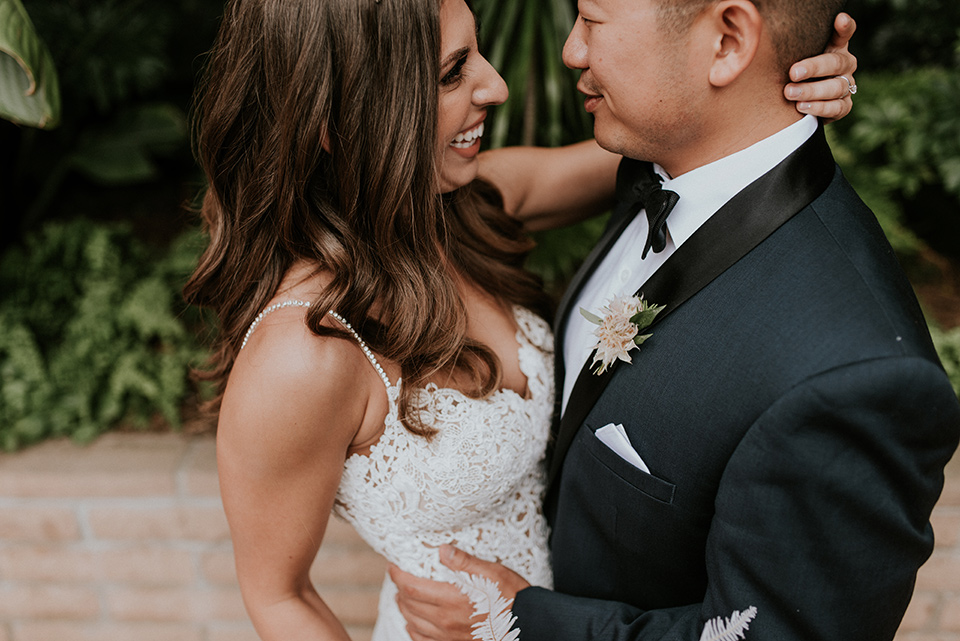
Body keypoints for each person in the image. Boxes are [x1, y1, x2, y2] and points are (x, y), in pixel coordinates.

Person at [183, 0, 859, 639]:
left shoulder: (474, 205)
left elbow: (688, 138)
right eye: (454, 72)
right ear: (337, 120)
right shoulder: (304, 353)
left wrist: (778, 91)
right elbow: (278, 594)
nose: (496, 86)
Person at [390, 1, 960, 640]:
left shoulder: (853, 376)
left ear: (727, 40)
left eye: (593, 20)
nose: (571, 51)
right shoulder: (657, 157)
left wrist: (520, 622)